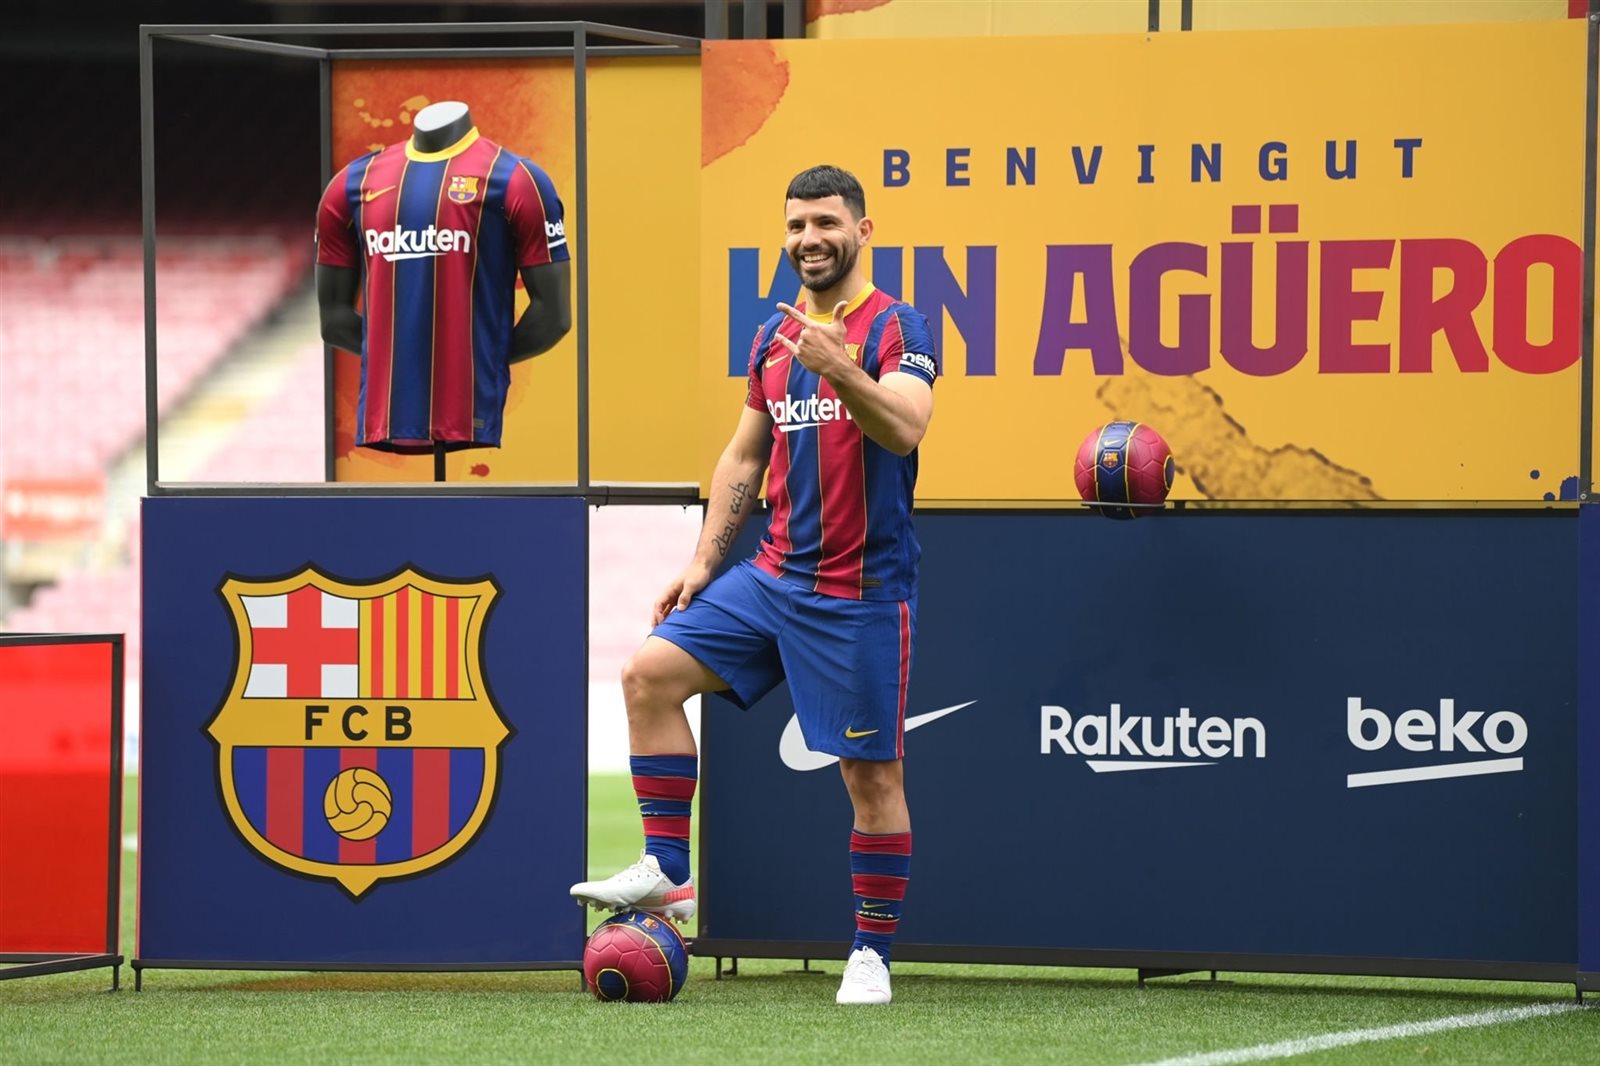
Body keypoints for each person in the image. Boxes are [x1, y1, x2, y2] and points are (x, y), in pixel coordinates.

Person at [569, 165, 938, 1005]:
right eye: (797, 225)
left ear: (863, 231)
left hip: (857, 593)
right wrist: (705, 561)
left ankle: (871, 953)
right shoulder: (772, 337)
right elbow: (744, 455)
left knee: (871, 779)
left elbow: (906, 427)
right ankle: (668, 870)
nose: (810, 239)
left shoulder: (898, 326)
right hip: (771, 576)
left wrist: (840, 369)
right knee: (647, 675)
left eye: (827, 223)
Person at [315, 101, 571, 454]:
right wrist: (409, 365)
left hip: (471, 413)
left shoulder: (517, 179)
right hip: (387, 414)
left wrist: (475, 364)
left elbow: (554, 317)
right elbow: (333, 320)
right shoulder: (350, 184)